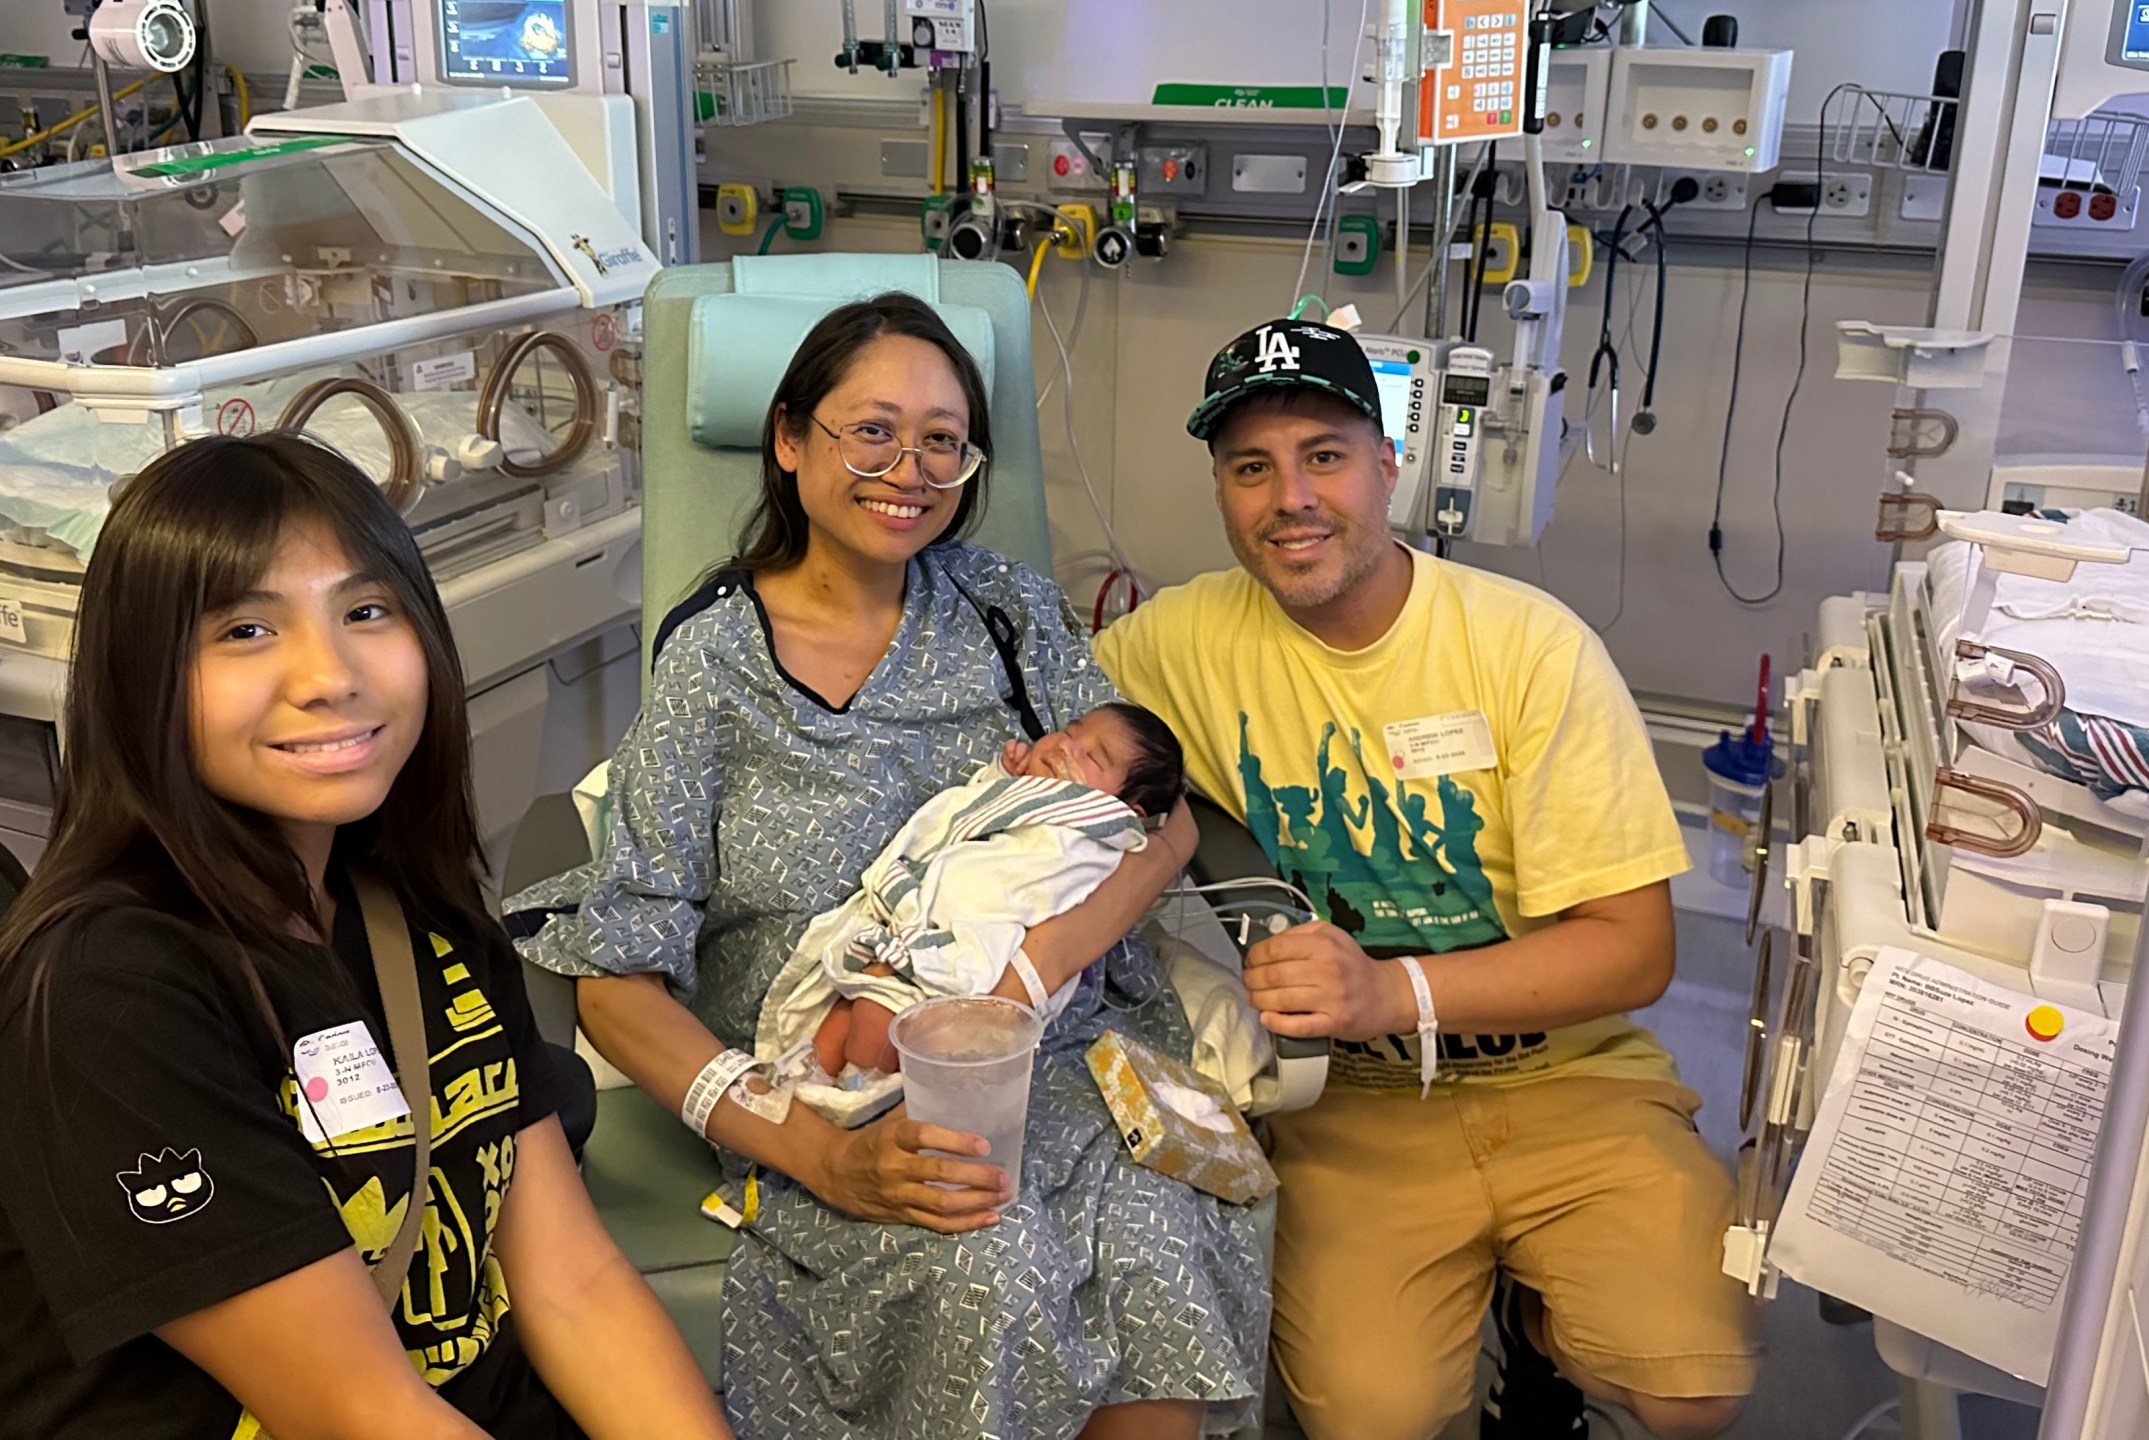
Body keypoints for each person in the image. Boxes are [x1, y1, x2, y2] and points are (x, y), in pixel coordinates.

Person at [506, 293, 1268, 1440]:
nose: (907, 467)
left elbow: (1157, 825)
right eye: (871, 430)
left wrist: (1031, 972)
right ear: (789, 438)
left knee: (1156, 1233)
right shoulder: (716, 665)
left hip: (1053, 1052)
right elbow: (616, 976)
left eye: (942, 440)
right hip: (835, 1085)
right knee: (987, 1263)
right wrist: (809, 1149)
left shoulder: (1008, 614)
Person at [0, 434, 727, 1440]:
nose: (330, 674)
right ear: (142, 678)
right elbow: (359, 1412)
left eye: (365, 612)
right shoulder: (107, 999)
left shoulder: (416, 914)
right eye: (245, 631)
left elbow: (572, 1283)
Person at [1094, 320, 1762, 1440]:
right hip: (1349, 1103)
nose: (1290, 498)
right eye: (1250, 468)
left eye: (1324, 456)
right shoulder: (1177, 646)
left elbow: (1636, 951)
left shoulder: (1525, 648)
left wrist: (1392, 993)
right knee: (1369, 1418)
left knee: (1691, 1393)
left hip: (1566, 1076)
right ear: (1220, 491)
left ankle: (1543, 1337)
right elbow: (1038, 738)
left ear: (1388, 466)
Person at [769, 701, 1190, 1087]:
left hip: (972, 944)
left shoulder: (1093, 835)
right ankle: (800, 1085)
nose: (1066, 747)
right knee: (847, 1004)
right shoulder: (1040, 797)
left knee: (878, 1011)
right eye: (1070, 732)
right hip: (915, 918)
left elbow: (1028, 881)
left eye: (1092, 756)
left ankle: (858, 1088)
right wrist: (1004, 779)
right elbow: (975, 815)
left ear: (1125, 810)